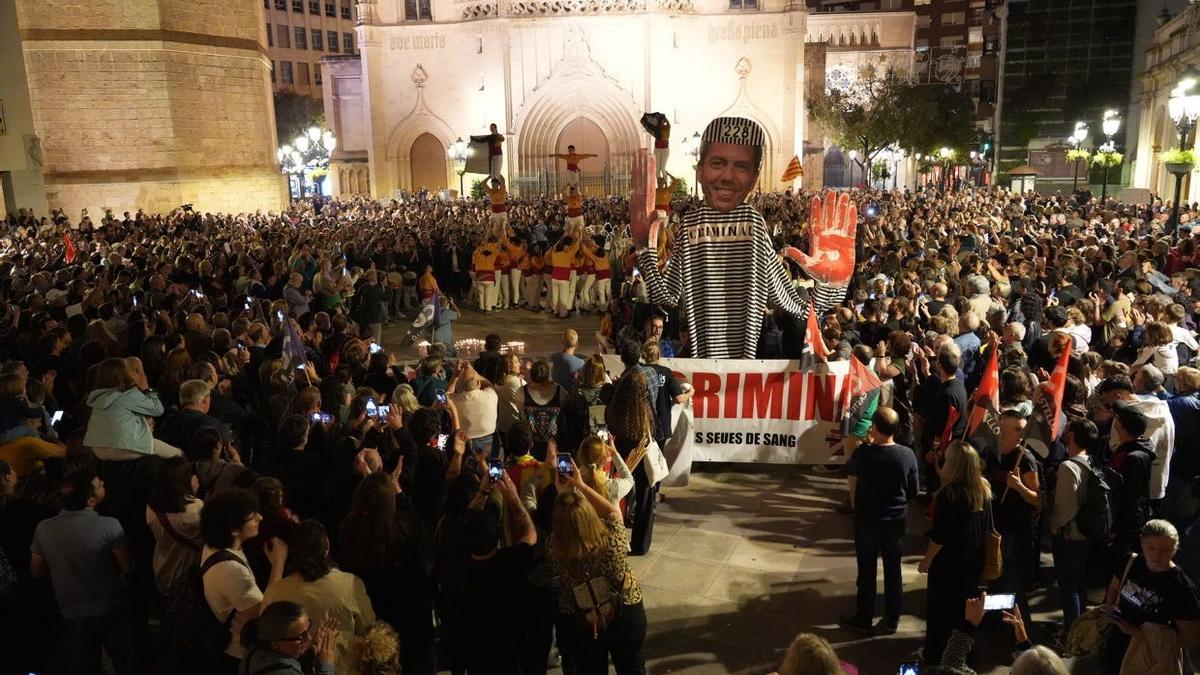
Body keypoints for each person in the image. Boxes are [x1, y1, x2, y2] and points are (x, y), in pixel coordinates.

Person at [630, 119, 853, 358]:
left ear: (754, 177)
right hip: (707, 370)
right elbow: (668, 296)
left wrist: (831, 285)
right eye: (717, 163)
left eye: (741, 166)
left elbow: (793, 306)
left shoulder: (753, 223)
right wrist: (644, 246)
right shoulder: (694, 223)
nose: (727, 176)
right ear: (701, 169)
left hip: (738, 371)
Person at [31, 469, 137, 675]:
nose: (103, 483)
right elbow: (127, 567)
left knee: (85, 663)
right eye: (99, 486)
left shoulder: (43, 528)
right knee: (121, 657)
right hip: (109, 605)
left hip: (70, 609)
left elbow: (37, 572)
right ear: (90, 501)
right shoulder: (109, 525)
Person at [549, 456, 646, 675]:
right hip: (625, 611)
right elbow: (612, 513)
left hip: (584, 621)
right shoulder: (613, 541)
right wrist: (580, 486)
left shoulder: (554, 549)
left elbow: (565, 527)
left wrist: (563, 495)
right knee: (632, 667)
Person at [839, 407, 918, 636]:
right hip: (895, 521)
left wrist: (865, 444)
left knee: (866, 568)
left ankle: (864, 616)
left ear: (874, 427)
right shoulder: (907, 455)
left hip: (867, 521)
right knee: (893, 569)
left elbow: (849, 469)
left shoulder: (864, 454)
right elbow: (912, 491)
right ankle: (892, 617)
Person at [261, 520, 376, 675]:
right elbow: (368, 628)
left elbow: (263, 633)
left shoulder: (276, 590)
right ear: (327, 547)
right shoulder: (350, 584)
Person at [199, 487, 289, 673]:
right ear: (233, 529)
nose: (260, 518)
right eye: (252, 517)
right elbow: (264, 612)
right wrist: (278, 563)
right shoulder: (231, 570)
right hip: (236, 650)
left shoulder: (214, 546)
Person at [918, 441, 990, 665]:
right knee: (965, 611)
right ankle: (961, 653)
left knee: (940, 612)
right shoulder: (983, 488)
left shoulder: (949, 494)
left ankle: (934, 655)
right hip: (972, 560)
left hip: (948, 563)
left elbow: (940, 536)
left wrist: (927, 560)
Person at [1102, 519, 1200, 674]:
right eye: (1151, 548)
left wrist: (1136, 633)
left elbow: (1191, 639)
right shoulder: (1130, 561)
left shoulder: (1181, 587)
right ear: (1142, 543)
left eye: (1165, 550)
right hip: (1117, 645)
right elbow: (1114, 588)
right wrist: (1111, 606)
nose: (1156, 555)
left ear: (1175, 549)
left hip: (1151, 659)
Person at [1049, 418, 1098, 632]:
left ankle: (1071, 631)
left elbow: (1066, 507)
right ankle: (1080, 625)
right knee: (1078, 581)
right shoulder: (1090, 461)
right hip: (1086, 533)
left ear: (1070, 437)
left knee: (1068, 586)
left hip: (1070, 535)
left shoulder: (1068, 467)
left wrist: (1055, 524)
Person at [85, 356, 180, 460]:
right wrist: (147, 389)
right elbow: (157, 410)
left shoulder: (97, 398)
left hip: (99, 450)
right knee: (178, 454)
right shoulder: (127, 394)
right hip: (124, 447)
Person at [146, 455, 204, 597]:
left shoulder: (151, 507)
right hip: (185, 573)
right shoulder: (197, 507)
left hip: (162, 569)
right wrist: (193, 495)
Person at [238, 600, 338, 675]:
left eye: (308, 629)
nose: (310, 638)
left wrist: (312, 656)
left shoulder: (255, 652)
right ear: (275, 644)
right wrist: (326, 665)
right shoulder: (282, 672)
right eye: (301, 636)